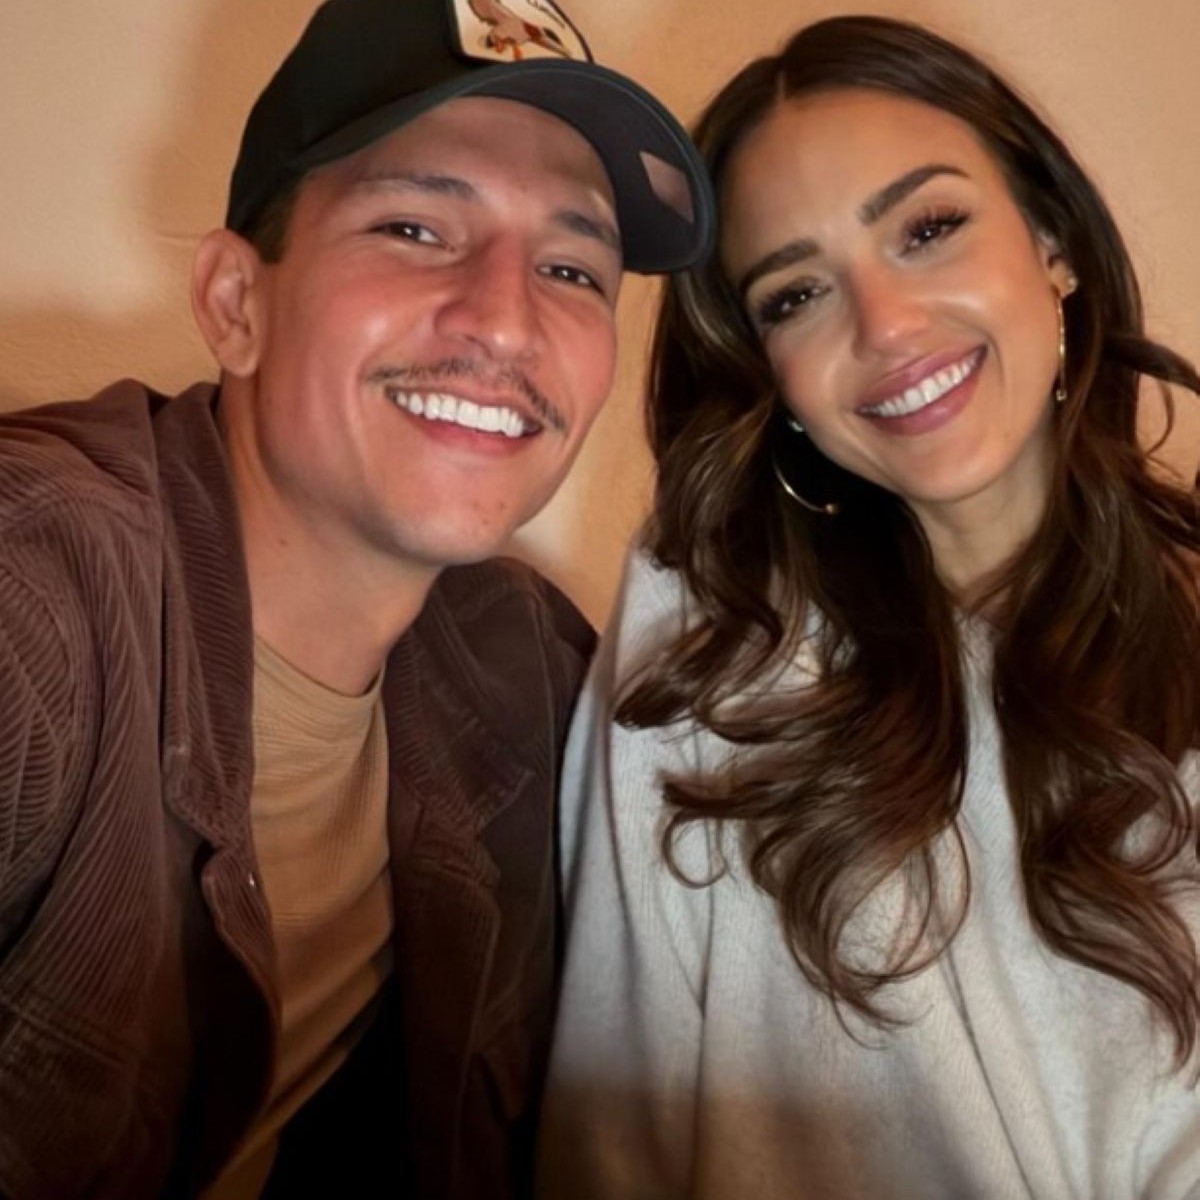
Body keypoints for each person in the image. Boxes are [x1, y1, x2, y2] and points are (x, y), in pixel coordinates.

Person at [0, 0, 714, 1196]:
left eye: (569, 268)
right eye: (415, 227)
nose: (506, 321)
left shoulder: (524, 671)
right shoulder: (37, 593)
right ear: (236, 303)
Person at [538, 15, 1200, 1199]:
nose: (886, 326)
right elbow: (613, 1124)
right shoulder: (715, 649)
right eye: (796, 293)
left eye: (928, 230)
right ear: (768, 373)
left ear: (1052, 241)